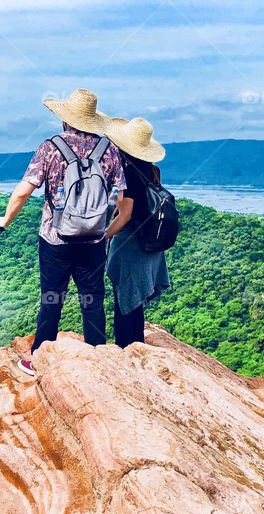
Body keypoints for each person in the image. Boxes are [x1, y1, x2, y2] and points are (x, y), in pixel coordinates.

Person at [0, 89, 128, 377]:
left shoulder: (51, 147)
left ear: (65, 119)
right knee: (92, 297)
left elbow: (24, 191)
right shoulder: (110, 150)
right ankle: (97, 357)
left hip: (55, 237)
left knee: (52, 297)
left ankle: (39, 358)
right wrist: (101, 227)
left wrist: (4, 220)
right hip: (93, 239)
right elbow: (121, 199)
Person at [101, 117, 171, 348]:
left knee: (124, 297)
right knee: (134, 300)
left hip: (131, 243)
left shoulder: (128, 172)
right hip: (149, 241)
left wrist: (102, 236)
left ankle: (126, 348)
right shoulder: (152, 169)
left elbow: (126, 214)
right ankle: (136, 342)